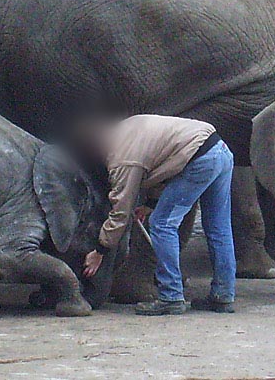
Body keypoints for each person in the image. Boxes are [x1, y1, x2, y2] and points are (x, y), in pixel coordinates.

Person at [80, 114, 236, 314]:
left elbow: (121, 211)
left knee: (162, 224)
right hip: (220, 150)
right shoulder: (125, 129)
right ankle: (223, 296)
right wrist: (150, 204)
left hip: (200, 159)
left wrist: (100, 250)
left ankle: (171, 296)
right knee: (218, 228)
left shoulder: (121, 157)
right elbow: (162, 163)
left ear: (92, 149)